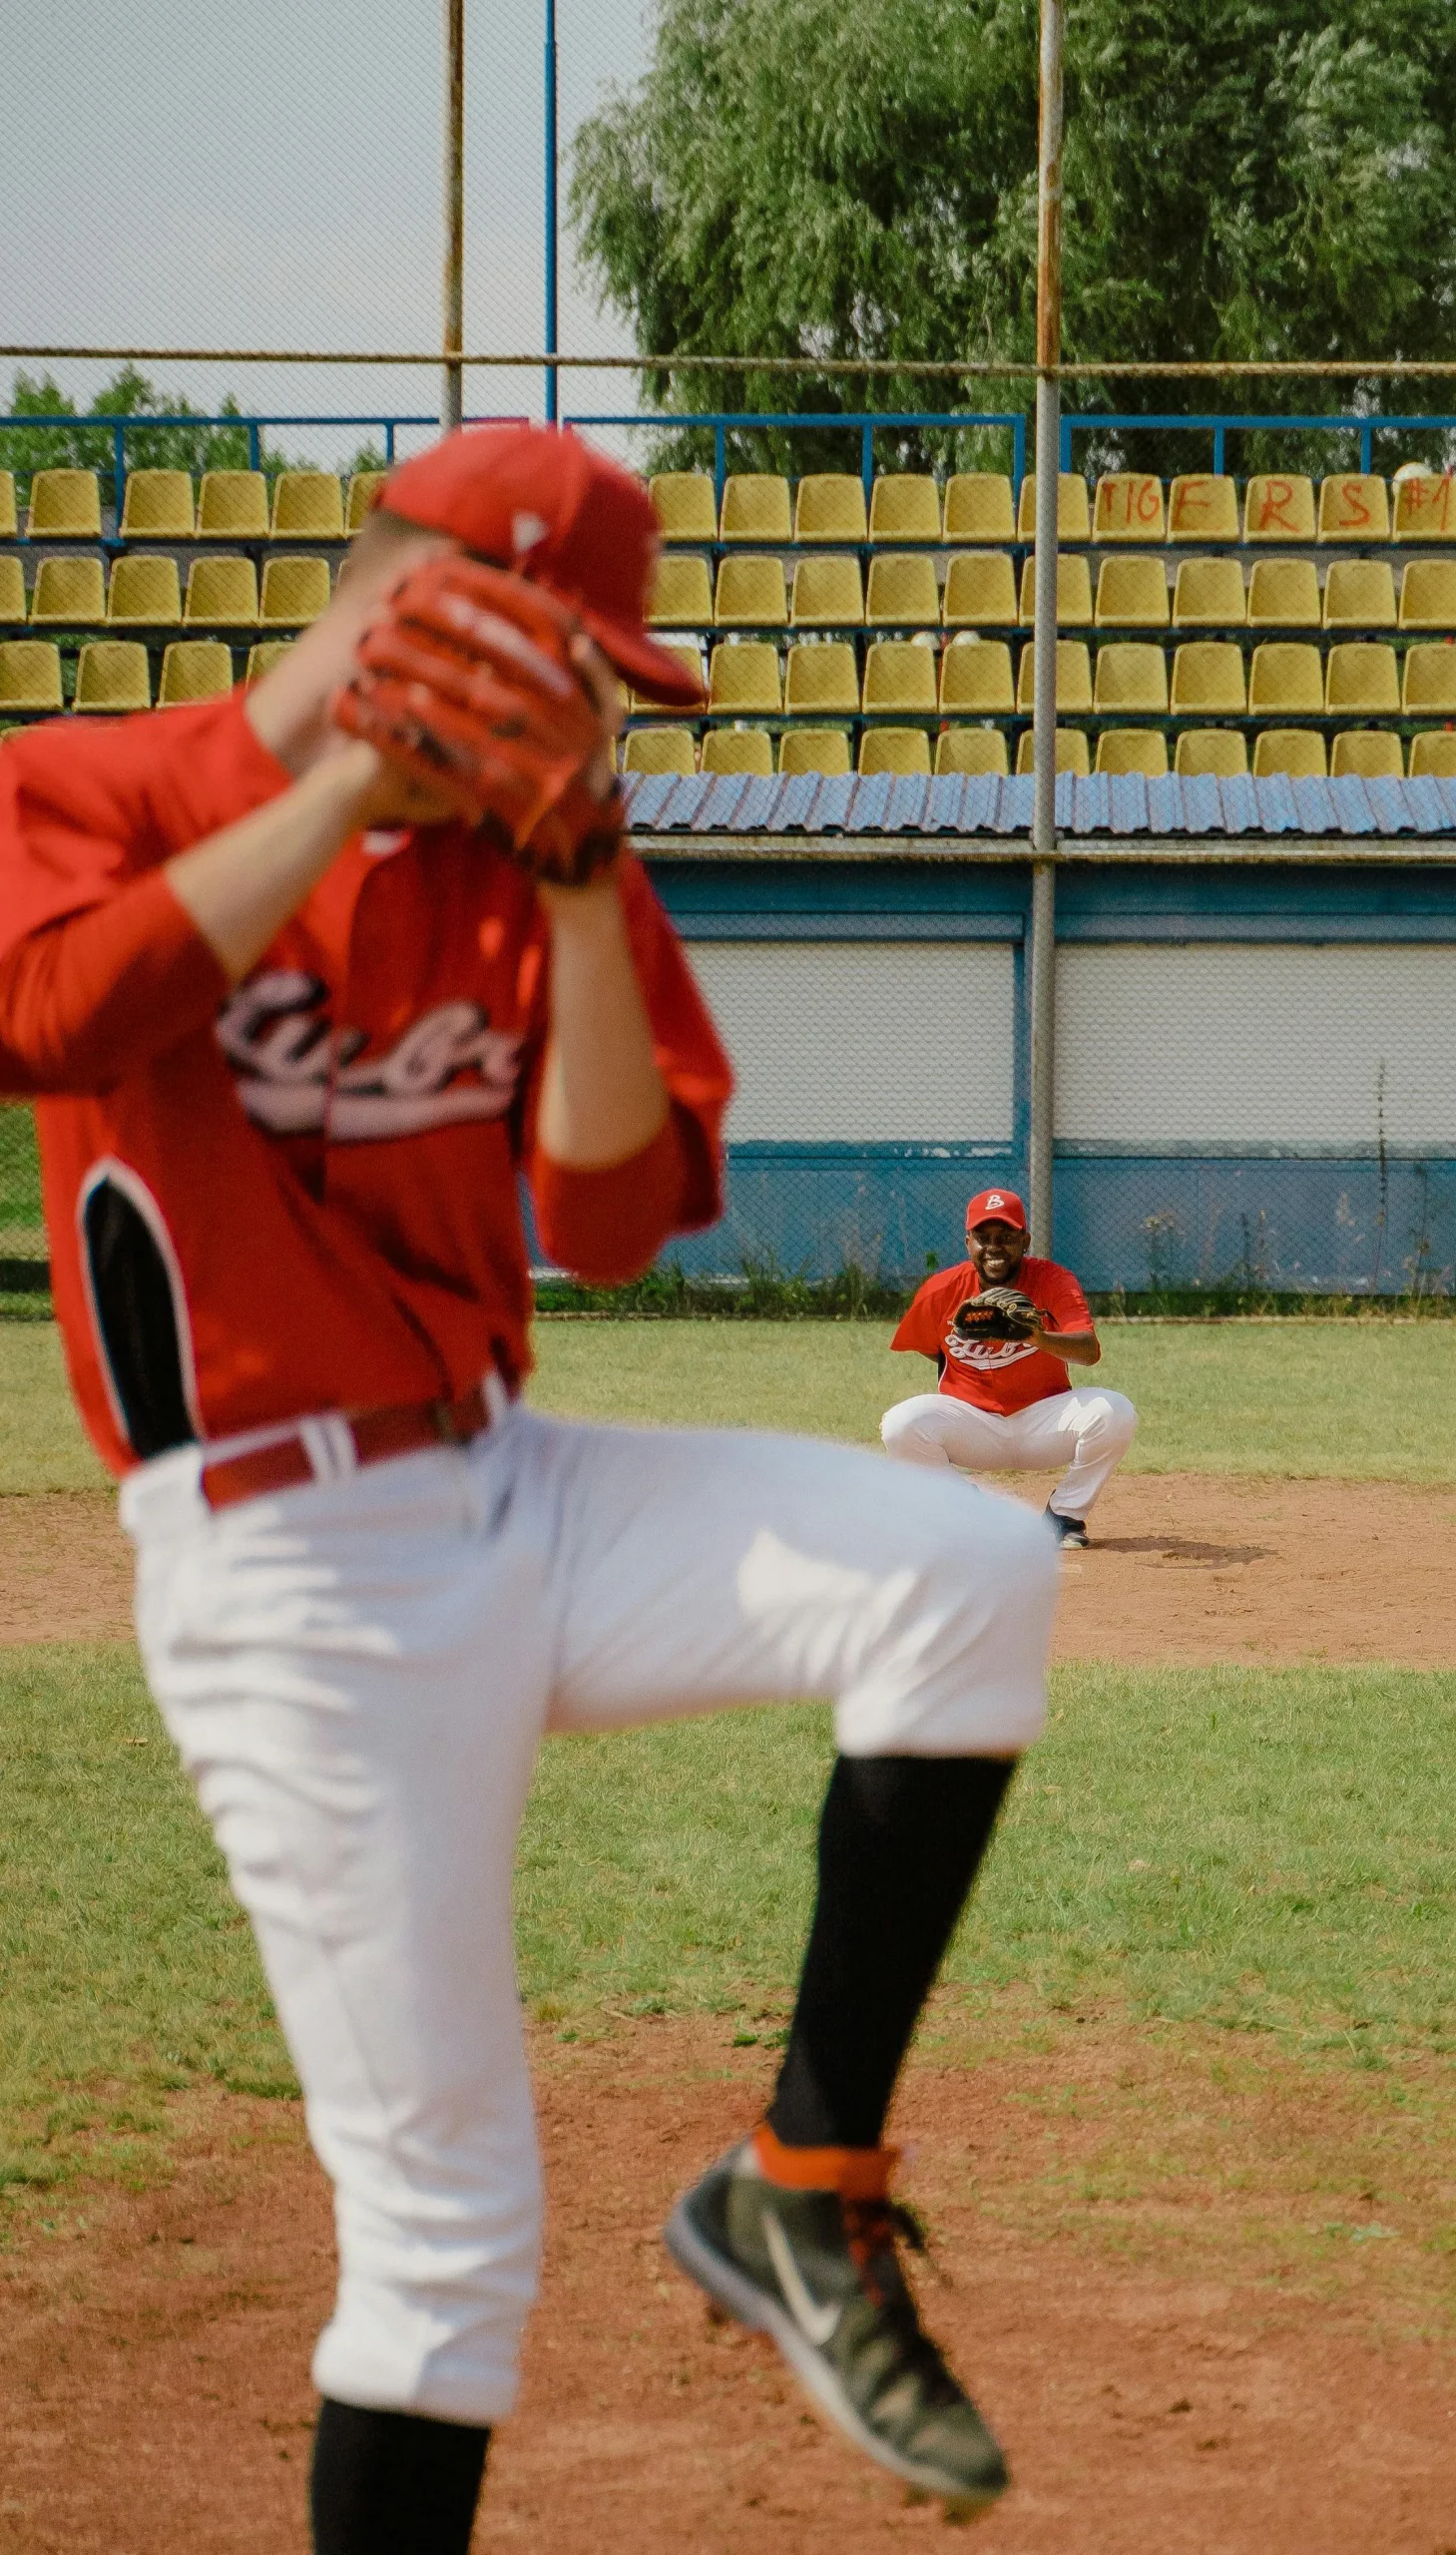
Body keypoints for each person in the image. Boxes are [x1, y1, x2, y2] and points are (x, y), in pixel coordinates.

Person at [0, 424, 1059, 2548]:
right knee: (447, 2235)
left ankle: (798, 2189)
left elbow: (603, 1205)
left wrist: (576, 881)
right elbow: (48, 1012)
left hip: (513, 1481)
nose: (592, 711)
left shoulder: (536, 859)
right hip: (287, 1569)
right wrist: (340, 794)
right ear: (432, 595)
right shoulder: (104, 784)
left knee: (962, 1564)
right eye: (574, 654)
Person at [882, 1188, 1137, 1548]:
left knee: (1115, 1411)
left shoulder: (1053, 1280)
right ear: (968, 1242)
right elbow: (929, 1348)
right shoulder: (941, 1290)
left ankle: (1063, 1518)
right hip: (972, 1425)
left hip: (1043, 1421)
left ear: (1025, 1240)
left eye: (1006, 1237)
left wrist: (1036, 1337)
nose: (994, 1247)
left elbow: (1088, 1351)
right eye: (983, 1238)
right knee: (899, 1425)